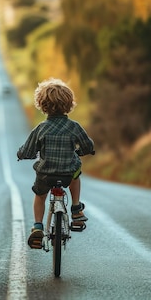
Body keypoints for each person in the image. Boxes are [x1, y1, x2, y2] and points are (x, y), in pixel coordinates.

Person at [17, 78, 94, 249]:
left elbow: (27, 151)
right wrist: (83, 151)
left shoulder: (40, 129)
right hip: (67, 173)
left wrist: (21, 154)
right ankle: (75, 207)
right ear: (69, 103)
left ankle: (37, 226)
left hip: (45, 174)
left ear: (42, 104)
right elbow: (88, 145)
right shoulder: (74, 127)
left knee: (40, 195)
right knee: (76, 173)